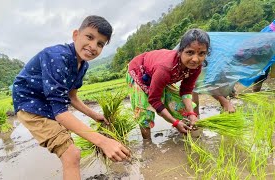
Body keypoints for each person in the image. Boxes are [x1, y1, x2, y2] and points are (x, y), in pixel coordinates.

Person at [12, 15, 130, 180]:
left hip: (49, 103)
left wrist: (95, 116)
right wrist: (103, 142)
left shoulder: (83, 65)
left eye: (100, 44)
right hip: (30, 104)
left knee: (69, 150)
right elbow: (60, 111)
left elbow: (72, 97)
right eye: (89, 37)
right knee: (72, 154)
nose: (93, 46)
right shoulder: (57, 57)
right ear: (76, 35)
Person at [126, 28, 210, 139]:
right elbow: (154, 100)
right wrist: (175, 123)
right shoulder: (165, 68)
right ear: (180, 51)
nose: (195, 59)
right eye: (190, 52)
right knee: (145, 113)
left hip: (159, 75)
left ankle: (190, 134)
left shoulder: (196, 67)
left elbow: (186, 91)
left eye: (201, 53)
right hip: (140, 72)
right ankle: (148, 144)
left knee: (181, 108)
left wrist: (191, 114)